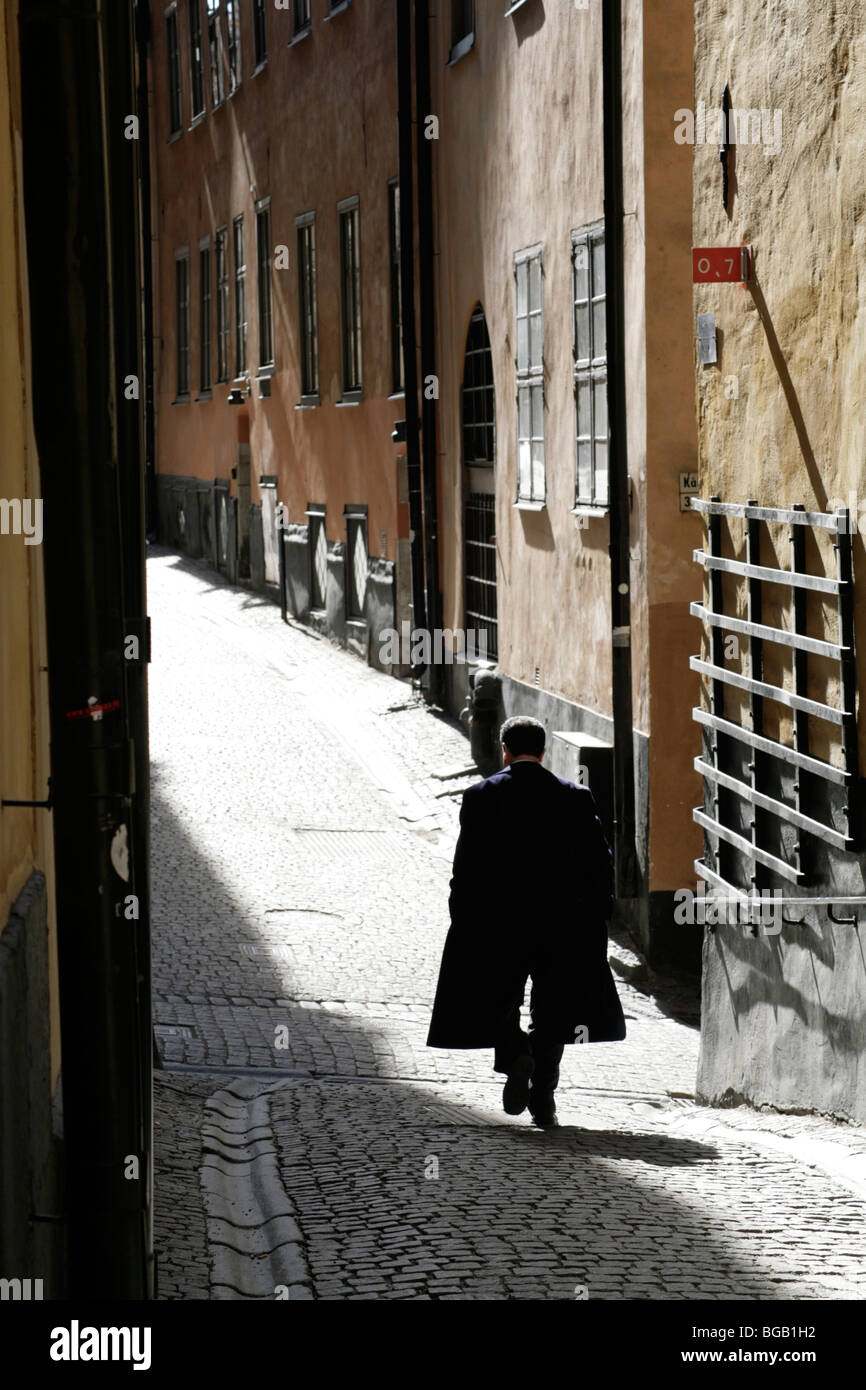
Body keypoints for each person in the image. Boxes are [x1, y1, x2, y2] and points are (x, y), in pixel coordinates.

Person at [426, 714, 626, 1127]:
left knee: (499, 999)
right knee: (553, 1010)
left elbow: (467, 867)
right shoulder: (575, 796)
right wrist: (595, 917)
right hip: (562, 924)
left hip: (499, 923)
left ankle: (517, 1054)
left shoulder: (481, 796)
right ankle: (544, 1097)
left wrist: (462, 917)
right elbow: (599, 866)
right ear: (543, 751)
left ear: (505, 750)